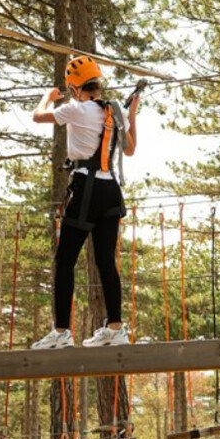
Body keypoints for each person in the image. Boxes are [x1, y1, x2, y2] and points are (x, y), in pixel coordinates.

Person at [29, 55, 141, 349]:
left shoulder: (76, 109)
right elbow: (129, 149)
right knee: (105, 260)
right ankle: (115, 327)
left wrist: (48, 97)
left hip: (86, 189)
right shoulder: (114, 111)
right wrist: (132, 116)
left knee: (65, 260)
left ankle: (62, 331)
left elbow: (38, 116)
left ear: (75, 87)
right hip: (110, 190)